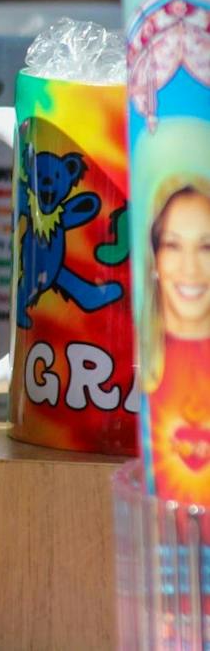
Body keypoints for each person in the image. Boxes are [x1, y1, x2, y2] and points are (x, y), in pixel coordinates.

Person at [143, 180, 210, 498]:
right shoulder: (148, 369)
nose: (190, 267)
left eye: (206, 247)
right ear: (155, 259)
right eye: (172, 245)